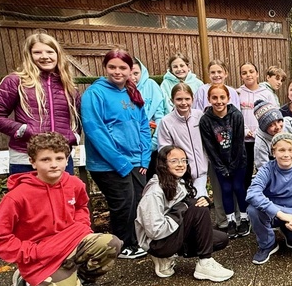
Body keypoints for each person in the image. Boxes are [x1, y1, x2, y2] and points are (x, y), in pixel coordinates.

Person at [0, 133, 121, 286]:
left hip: (70, 244)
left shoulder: (74, 184)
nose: (54, 164)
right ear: (33, 162)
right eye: (46, 159)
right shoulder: (18, 196)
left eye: (59, 158)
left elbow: (81, 205)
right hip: (42, 258)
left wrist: (81, 227)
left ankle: (85, 279)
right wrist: (30, 252)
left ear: (66, 160)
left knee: (111, 243)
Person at [81, 49, 151, 259]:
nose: (117, 72)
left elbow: (143, 126)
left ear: (131, 70)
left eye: (123, 68)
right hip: (108, 164)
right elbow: (95, 130)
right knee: (124, 203)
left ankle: (138, 240)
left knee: (139, 201)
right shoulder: (95, 94)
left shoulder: (131, 93)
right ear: (105, 68)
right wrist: (119, 162)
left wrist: (144, 157)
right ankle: (123, 244)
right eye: (112, 67)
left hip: (136, 160)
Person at [0, 32, 81, 174]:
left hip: (60, 158)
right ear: (29, 55)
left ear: (58, 54)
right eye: (37, 52)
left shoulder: (68, 86)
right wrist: (25, 131)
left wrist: (74, 136)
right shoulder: (16, 81)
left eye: (50, 51)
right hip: (26, 157)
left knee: (63, 196)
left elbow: (77, 118)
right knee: (28, 196)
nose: (44, 56)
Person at [136, 145, 232, 281]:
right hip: (158, 243)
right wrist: (184, 208)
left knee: (220, 239)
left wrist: (203, 201)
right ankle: (204, 263)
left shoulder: (178, 182)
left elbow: (187, 211)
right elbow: (154, 231)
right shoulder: (154, 192)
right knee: (196, 207)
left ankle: (169, 257)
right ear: (163, 164)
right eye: (174, 161)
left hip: (173, 234)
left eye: (184, 160)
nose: (181, 165)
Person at [246, 132, 292, 264]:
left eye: (290, 150)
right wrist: (279, 214)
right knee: (253, 210)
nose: (286, 154)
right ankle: (267, 244)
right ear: (273, 152)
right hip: (274, 211)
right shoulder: (267, 169)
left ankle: (290, 233)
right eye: (281, 150)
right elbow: (252, 193)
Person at [200, 84, 251, 239]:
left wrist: (233, 165)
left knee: (238, 187)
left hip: (238, 161)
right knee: (226, 190)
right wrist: (222, 167)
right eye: (214, 97)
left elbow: (238, 142)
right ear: (209, 99)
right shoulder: (205, 120)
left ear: (228, 98)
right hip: (220, 163)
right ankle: (230, 221)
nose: (219, 101)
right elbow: (210, 147)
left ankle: (244, 218)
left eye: (222, 97)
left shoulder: (236, 115)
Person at [156, 83, 209, 200]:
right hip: (181, 173)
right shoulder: (166, 121)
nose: (183, 103)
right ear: (172, 100)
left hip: (202, 171)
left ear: (192, 99)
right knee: (186, 204)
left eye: (187, 99)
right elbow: (164, 148)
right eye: (179, 99)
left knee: (200, 200)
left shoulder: (200, 116)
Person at [237, 62, 278, 188]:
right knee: (246, 172)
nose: (248, 75)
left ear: (257, 74)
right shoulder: (237, 93)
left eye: (251, 72)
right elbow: (235, 115)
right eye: (244, 73)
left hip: (263, 138)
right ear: (241, 76)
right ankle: (247, 201)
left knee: (265, 169)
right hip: (245, 140)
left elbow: (273, 114)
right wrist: (244, 130)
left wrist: (260, 131)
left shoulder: (266, 93)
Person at [131, 57, 168, 180]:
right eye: (129, 73)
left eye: (136, 73)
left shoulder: (151, 86)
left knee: (154, 179)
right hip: (132, 147)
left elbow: (160, 115)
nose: (133, 78)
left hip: (152, 142)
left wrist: (154, 142)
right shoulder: (121, 91)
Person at [253, 99, 292, 171]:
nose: (278, 127)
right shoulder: (260, 143)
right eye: (271, 125)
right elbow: (263, 169)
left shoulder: (291, 124)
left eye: (279, 121)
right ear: (264, 128)